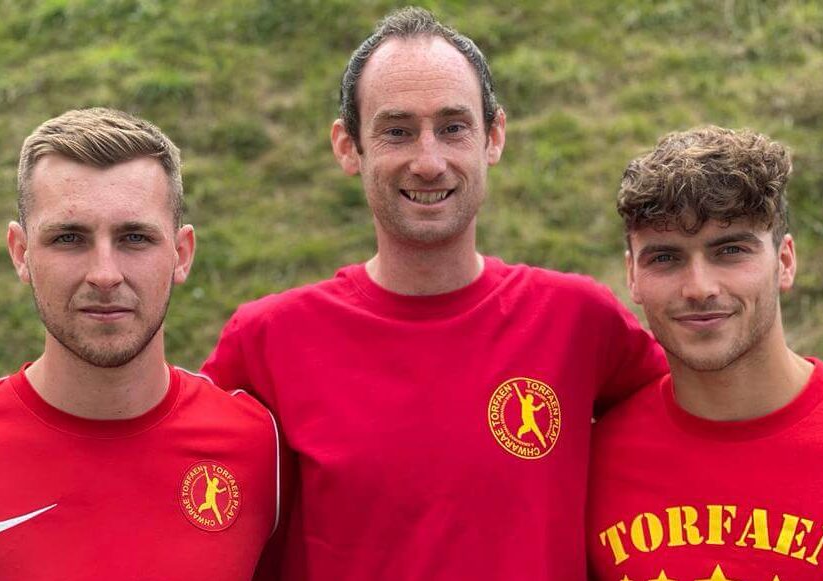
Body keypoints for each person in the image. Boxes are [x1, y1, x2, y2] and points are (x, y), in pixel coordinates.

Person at [201, 7, 666, 580]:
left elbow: (705, 426)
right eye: (397, 131)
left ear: (493, 136)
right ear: (348, 146)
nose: (429, 161)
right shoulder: (266, 342)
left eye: (453, 127)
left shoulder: (580, 322)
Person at [0, 108, 279, 580]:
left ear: (181, 255)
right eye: (69, 238)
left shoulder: (258, 446)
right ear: (21, 254)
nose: (104, 274)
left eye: (135, 238)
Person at [587, 126, 823, 581]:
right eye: (665, 258)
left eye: (730, 251)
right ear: (632, 275)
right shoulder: (589, 461)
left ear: (784, 262)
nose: (699, 288)